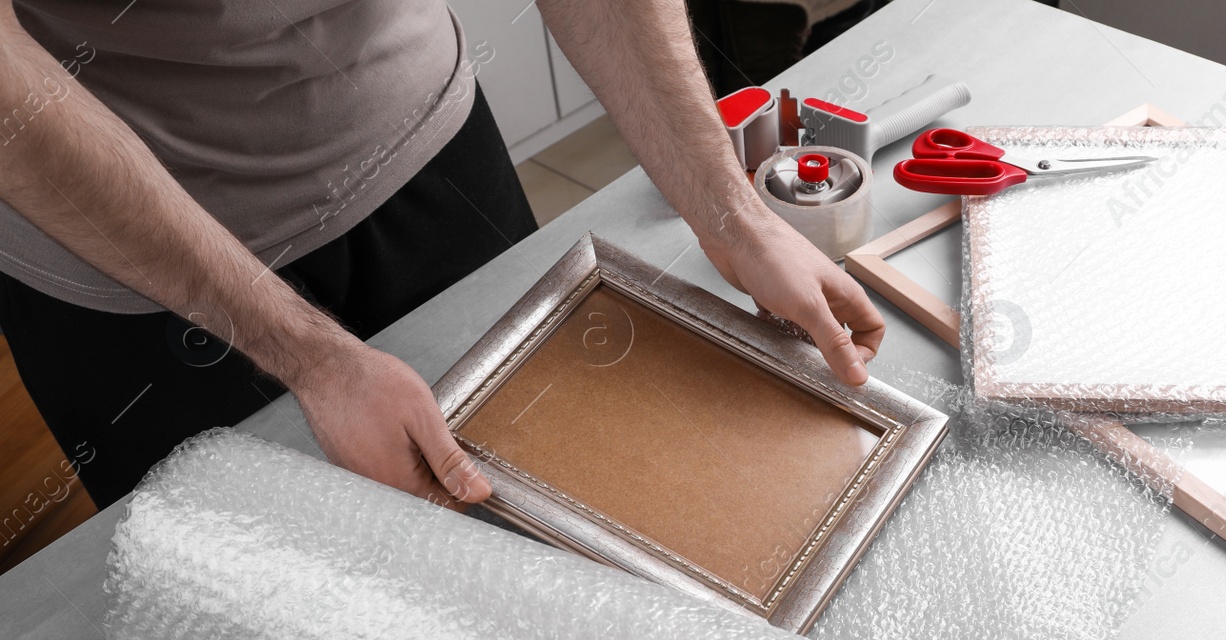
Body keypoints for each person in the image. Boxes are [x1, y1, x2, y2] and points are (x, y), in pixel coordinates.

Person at [0, 0, 885, 509]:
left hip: (419, 142)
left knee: (551, 508)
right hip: (129, 253)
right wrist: (313, 360)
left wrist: (729, 211)